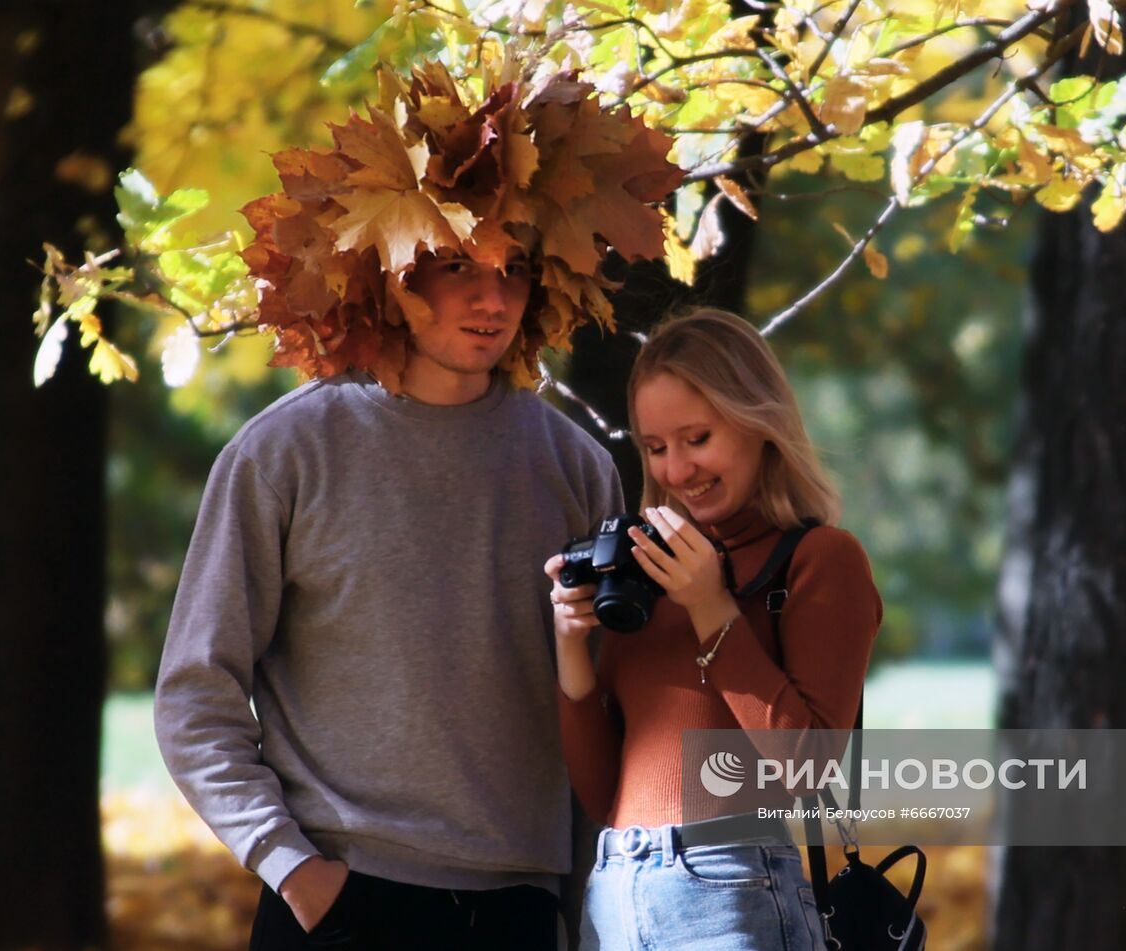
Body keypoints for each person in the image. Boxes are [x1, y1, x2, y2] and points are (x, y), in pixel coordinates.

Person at [155, 60, 680, 949]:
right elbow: (195, 693)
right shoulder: (284, 452)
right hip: (337, 897)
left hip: (518, 906)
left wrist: (586, 909)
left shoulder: (576, 464)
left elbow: (609, 711)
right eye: (455, 267)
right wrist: (291, 867)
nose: (493, 297)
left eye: (514, 269)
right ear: (392, 276)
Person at [546, 308, 883, 950]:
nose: (676, 471)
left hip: (732, 890)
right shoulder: (647, 575)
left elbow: (807, 770)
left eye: (697, 438)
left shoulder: (821, 560)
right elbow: (601, 796)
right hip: (617, 888)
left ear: (760, 423)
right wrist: (571, 648)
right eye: (655, 448)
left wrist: (711, 607)